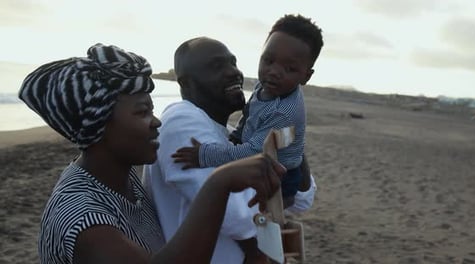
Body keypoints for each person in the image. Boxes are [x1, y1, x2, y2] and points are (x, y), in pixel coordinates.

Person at [19, 43, 285, 264]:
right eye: (141, 112)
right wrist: (219, 183)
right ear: (98, 126)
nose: (156, 122)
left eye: (152, 110)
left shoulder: (122, 183)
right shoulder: (83, 219)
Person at [142, 36, 317, 263]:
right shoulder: (181, 119)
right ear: (186, 83)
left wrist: (291, 131)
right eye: (217, 66)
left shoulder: (229, 133)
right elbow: (239, 217)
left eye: (233, 63)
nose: (233, 72)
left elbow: (304, 198)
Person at [172, 14, 323, 208]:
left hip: (281, 168)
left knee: (269, 206)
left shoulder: (283, 112)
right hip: (266, 149)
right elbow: (250, 114)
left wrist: (204, 155)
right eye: (268, 60)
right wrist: (235, 137)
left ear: (306, 76)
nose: (274, 71)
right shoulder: (268, 85)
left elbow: (253, 152)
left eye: (289, 68)